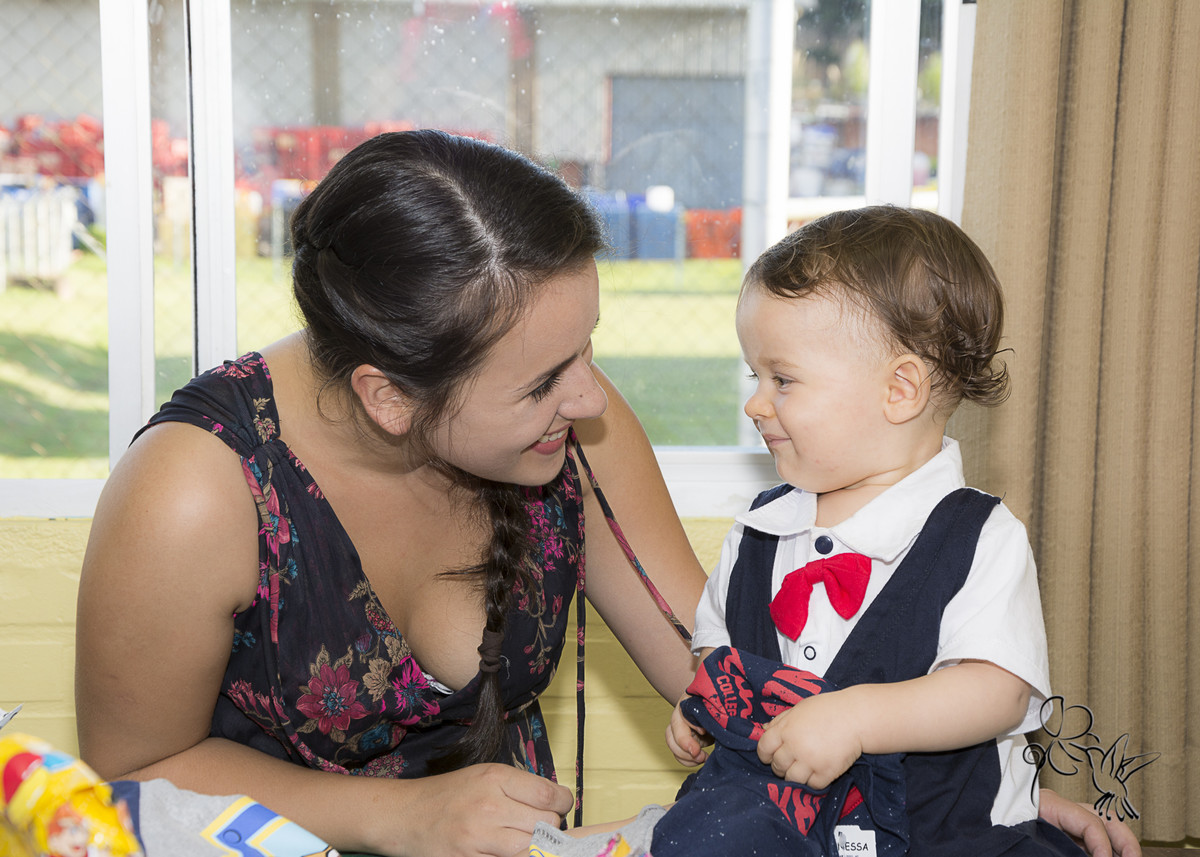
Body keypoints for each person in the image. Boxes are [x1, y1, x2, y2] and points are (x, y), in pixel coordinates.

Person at [73, 131, 1137, 857]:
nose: (589, 399)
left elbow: (734, 676)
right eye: (543, 379)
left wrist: (963, 786)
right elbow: (135, 768)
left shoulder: (570, 420)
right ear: (388, 395)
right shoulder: (196, 491)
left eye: (587, 349)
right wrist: (396, 817)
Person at [663, 205, 1117, 855]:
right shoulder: (759, 530)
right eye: (753, 376)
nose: (756, 402)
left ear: (900, 389)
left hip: (944, 830)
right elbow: (720, 654)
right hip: (779, 824)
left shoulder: (979, 537)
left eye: (782, 379)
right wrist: (708, 703)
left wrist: (855, 716)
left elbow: (997, 689)